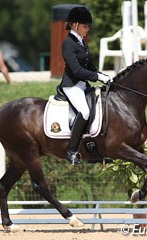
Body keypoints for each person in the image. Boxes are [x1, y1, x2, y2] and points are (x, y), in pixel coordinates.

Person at [60, 7, 112, 165]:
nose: (88, 29)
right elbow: (77, 70)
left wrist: (104, 76)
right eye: (85, 26)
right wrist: (97, 77)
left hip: (83, 85)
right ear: (75, 25)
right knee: (84, 111)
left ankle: (94, 146)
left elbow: (89, 67)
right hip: (72, 85)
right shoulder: (68, 44)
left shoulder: (81, 42)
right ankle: (72, 151)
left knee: (101, 106)